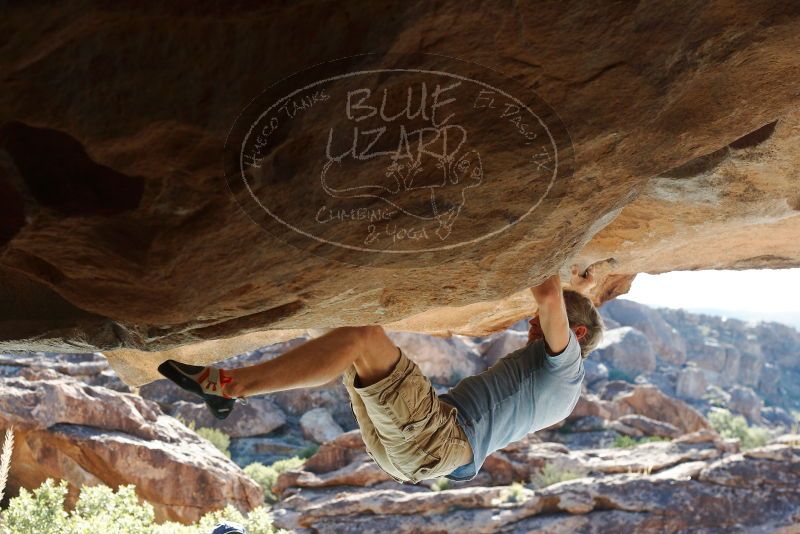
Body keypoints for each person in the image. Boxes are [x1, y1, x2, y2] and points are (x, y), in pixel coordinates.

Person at [158, 263, 604, 483]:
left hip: (440, 437)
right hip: (412, 458)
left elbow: (547, 297)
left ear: (575, 332)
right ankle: (238, 378)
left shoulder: (564, 365)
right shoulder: (565, 387)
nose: (529, 325)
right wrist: (581, 288)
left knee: (361, 337)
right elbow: (564, 311)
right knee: (348, 346)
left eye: (538, 324)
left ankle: (228, 387)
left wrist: (550, 232)